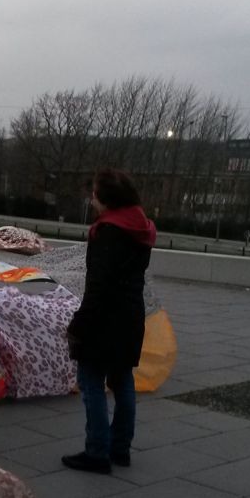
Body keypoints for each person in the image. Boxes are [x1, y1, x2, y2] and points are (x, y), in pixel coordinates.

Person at [62, 168, 156, 474]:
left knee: (91, 381)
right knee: (123, 380)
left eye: (95, 194)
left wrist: (79, 324)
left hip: (104, 320)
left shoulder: (107, 232)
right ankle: (120, 448)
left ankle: (97, 452)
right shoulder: (141, 229)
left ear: (107, 199)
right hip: (131, 317)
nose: (91, 199)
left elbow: (98, 287)